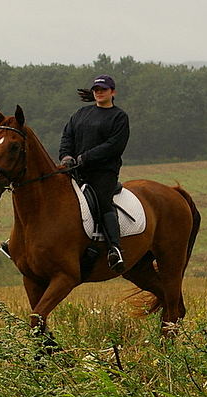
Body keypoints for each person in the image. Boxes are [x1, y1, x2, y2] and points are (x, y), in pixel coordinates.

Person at [59, 74, 130, 272]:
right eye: (96, 90)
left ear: (112, 92)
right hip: (75, 170)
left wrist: (86, 157)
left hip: (103, 173)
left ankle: (115, 248)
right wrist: (66, 156)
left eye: (103, 90)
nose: (99, 93)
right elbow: (67, 137)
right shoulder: (81, 114)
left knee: (101, 200)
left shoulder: (119, 117)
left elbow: (114, 145)